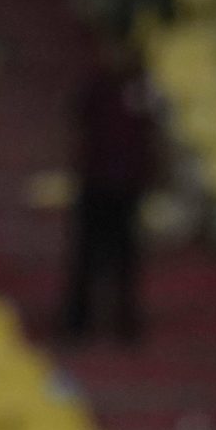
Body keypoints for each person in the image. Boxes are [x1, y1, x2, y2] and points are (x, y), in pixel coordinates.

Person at [67, 24, 162, 340]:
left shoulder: (143, 88)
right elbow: (74, 127)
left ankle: (125, 322)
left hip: (128, 188)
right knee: (86, 256)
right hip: (95, 183)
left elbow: (154, 135)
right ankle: (77, 322)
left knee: (126, 258)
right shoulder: (95, 86)